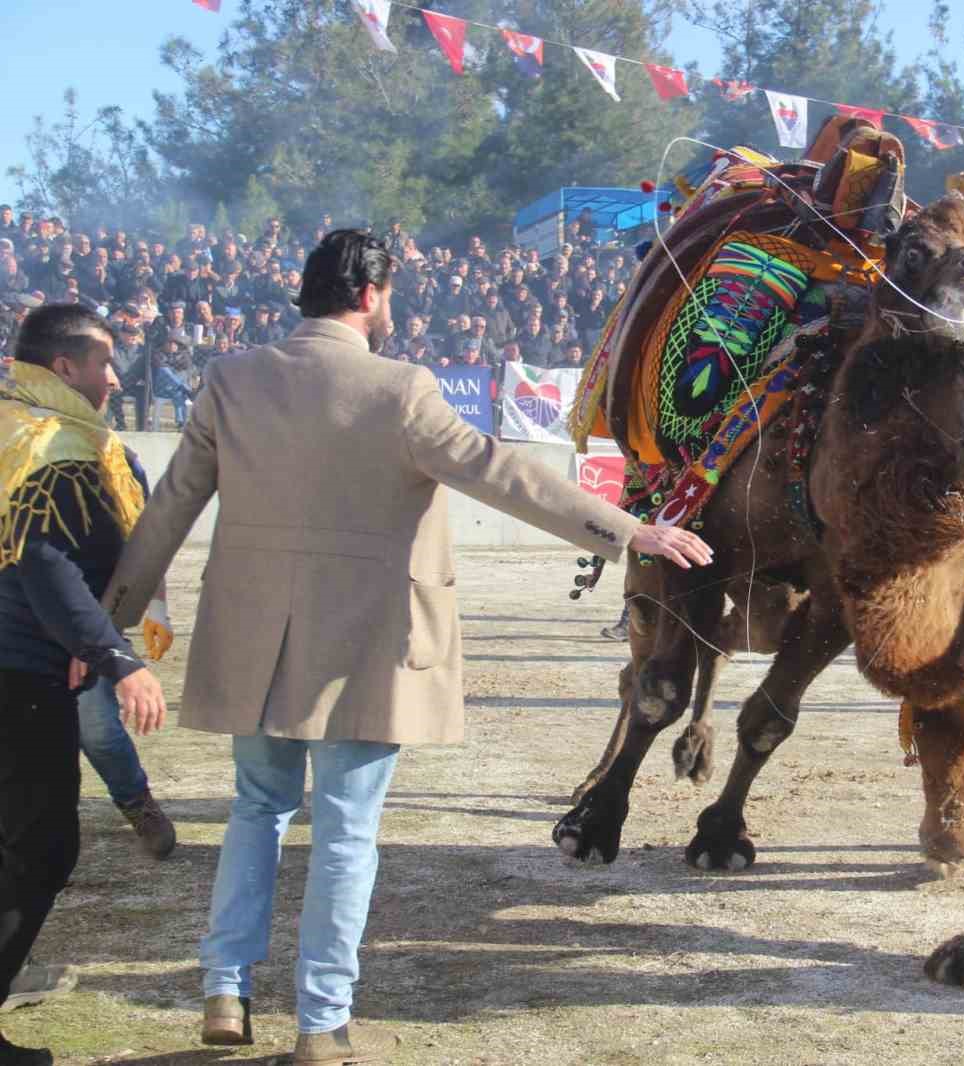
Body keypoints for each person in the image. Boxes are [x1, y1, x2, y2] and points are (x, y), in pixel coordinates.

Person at [100, 230, 711, 1064]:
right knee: (346, 833)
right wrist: (629, 529)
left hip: (256, 644)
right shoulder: (401, 388)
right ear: (372, 295)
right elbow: (498, 471)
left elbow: (168, 506)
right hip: (368, 646)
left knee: (256, 812)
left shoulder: (231, 380)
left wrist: (108, 625)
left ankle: (224, 989)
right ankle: (321, 1021)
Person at [0, 304, 169, 1065]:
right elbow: (45, 563)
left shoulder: (16, 425)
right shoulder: (55, 447)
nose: (114, 376)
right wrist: (115, 656)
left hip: (33, 659)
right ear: (63, 368)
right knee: (41, 848)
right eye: (103, 362)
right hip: (19, 672)